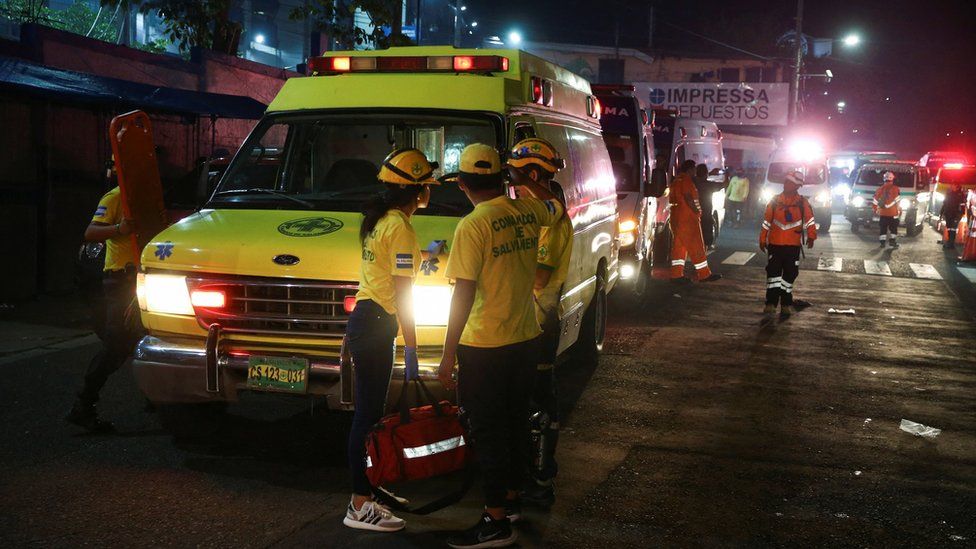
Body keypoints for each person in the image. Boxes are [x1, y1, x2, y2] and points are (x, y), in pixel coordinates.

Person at [438, 143, 564, 549]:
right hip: (525, 340)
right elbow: (556, 206)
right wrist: (526, 179)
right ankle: (510, 502)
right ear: (502, 178)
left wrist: (446, 353)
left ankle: (494, 521)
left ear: (461, 184)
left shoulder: (473, 225)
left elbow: (462, 295)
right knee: (512, 425)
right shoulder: (526, 210)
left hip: (485, 345)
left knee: (489, 432)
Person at [342, 148, 438, 532]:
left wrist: (427, 256)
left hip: (368, 320)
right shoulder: (399, 226)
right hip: (377, 324)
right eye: (426, 186)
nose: (429, 192)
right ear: (416, 192)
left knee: (371, 414)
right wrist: (412, 345)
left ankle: (372, 487)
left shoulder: (381, 220)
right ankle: (358, 504)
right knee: (366, 416)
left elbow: (393, 269)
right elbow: (402, 294)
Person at [506, 138, 572, 509]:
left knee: (540, 400)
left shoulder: (549, 218)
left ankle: (542, 476)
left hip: (539, 322)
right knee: (526, 399)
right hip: (527, 321)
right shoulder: (538, 211)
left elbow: (539, 277)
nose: (511, 185)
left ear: (532, 175)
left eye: (515, 177)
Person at [65, 161, 139, 432]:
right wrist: (120, 229)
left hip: (138, 280)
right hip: (120, 280)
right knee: (116, 345)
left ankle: (161, 398)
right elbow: (91, 232)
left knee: (141, 340)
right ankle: (82, 406)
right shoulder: (115, 197)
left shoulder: (141, 199)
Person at [759, 171, 816, 317]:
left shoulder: (802, 202)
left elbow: (810, 220)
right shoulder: (774, 200)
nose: (786, 185)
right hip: (775, 245)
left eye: (790, 183)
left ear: (797, 186)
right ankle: (770, 304)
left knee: (790, 275)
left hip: (792, 246)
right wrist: (762, 239)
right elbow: (766, 222)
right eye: (786, 182)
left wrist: (811, 236)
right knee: (773, 275)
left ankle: (785, 304)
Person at [670, 160, 722, 283]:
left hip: (676, 217)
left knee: (679, 247)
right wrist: (696, 211)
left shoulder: (677, 181)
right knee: (697, 246)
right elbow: (688, 197)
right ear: (689, 170)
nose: (695, 172)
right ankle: (704, 275)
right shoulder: (687, 181)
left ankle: (676, 275)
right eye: (694, 169)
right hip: (688, 218)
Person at [873, 171, 901, 248]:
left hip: (883, 213)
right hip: (893, 213)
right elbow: (897, 201)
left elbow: (875, 201)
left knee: (883, 228)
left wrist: (875, 209)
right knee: (893, 229)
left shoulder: (879, 189)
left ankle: (882, 243)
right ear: (892, 179)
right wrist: (899, 211)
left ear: (884, 179)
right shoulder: (895, 188)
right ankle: (892, 242)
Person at [693, 163, 717, 248]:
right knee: (706, 234)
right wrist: (727, 175)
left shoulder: (692, 182)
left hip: (693, 212)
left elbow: (698, 178)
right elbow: (725, 184)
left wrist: (710, 173)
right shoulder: (709, 185)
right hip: (706, 213)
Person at [940, 182, 967, 249]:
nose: (951, 186)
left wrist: (960, 214)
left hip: (956, 214)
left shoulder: (960, 195)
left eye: (953, 185)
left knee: (953, 229)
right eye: (951, 185)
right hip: (948, 214)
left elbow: (962, 205)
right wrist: (941, 213)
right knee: (949, 228)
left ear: (957, 186)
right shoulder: (949, 193)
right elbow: (945, 204)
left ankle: (951, 244)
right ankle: (949, 242)